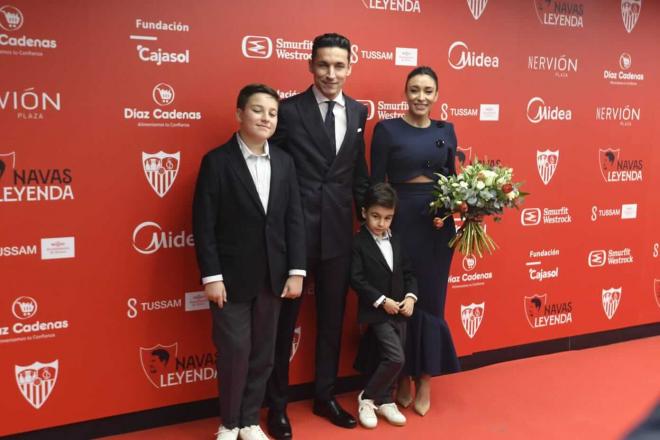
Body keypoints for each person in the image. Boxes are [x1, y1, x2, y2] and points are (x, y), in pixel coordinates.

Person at [265, 32, 370, 438]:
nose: (331, 73)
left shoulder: (359, 112)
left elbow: (356, 172)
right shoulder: (287, 111)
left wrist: (369, 220)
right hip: (294, 234)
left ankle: (325, 396)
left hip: (339, 236)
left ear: (349, 67)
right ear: (310, 65)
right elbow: (267, 163)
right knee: (282, 322)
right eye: (323, 64)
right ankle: (277, 407)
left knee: (331, 321)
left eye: (339, 65)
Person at [193, 84, 306, 440]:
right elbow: (204, 223)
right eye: (258, 110)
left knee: (264, 353)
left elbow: (294, 220)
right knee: (235, 351)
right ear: (239, 113)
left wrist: (297, 271)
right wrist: (212, 276)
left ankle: (249, 421)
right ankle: (228, 422)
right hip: (230, 278)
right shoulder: (217, 161)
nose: (266, 118)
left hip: (274, 277)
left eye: (272, 113)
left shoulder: (286, 163)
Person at [370, 66, 460, 416]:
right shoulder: (387, 130)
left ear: (437, 95)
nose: (420, 97)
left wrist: (461, 208)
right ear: (405, 93)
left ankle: (425, 379)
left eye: (427, 91)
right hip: (399, 220)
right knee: (398, 297)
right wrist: (378, 226)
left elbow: (453, 180)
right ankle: (401, 376)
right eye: (414, 90)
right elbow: (376, 183)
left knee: (432, 302)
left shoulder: (447, 130)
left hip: (437, 223)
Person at [350, 183, 418, 429]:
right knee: (395, 357)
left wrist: (410, 297)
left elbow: (409, 273)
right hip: (376, 312)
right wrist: (381, 301)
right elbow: (356, 279)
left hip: (400, 311)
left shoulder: (397, 240)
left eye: (388, 218)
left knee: (391, 356)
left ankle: (386, 399)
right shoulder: (358, 243)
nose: (381, 223)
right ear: (364, 212)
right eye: (376, 216)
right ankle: (367, 398)